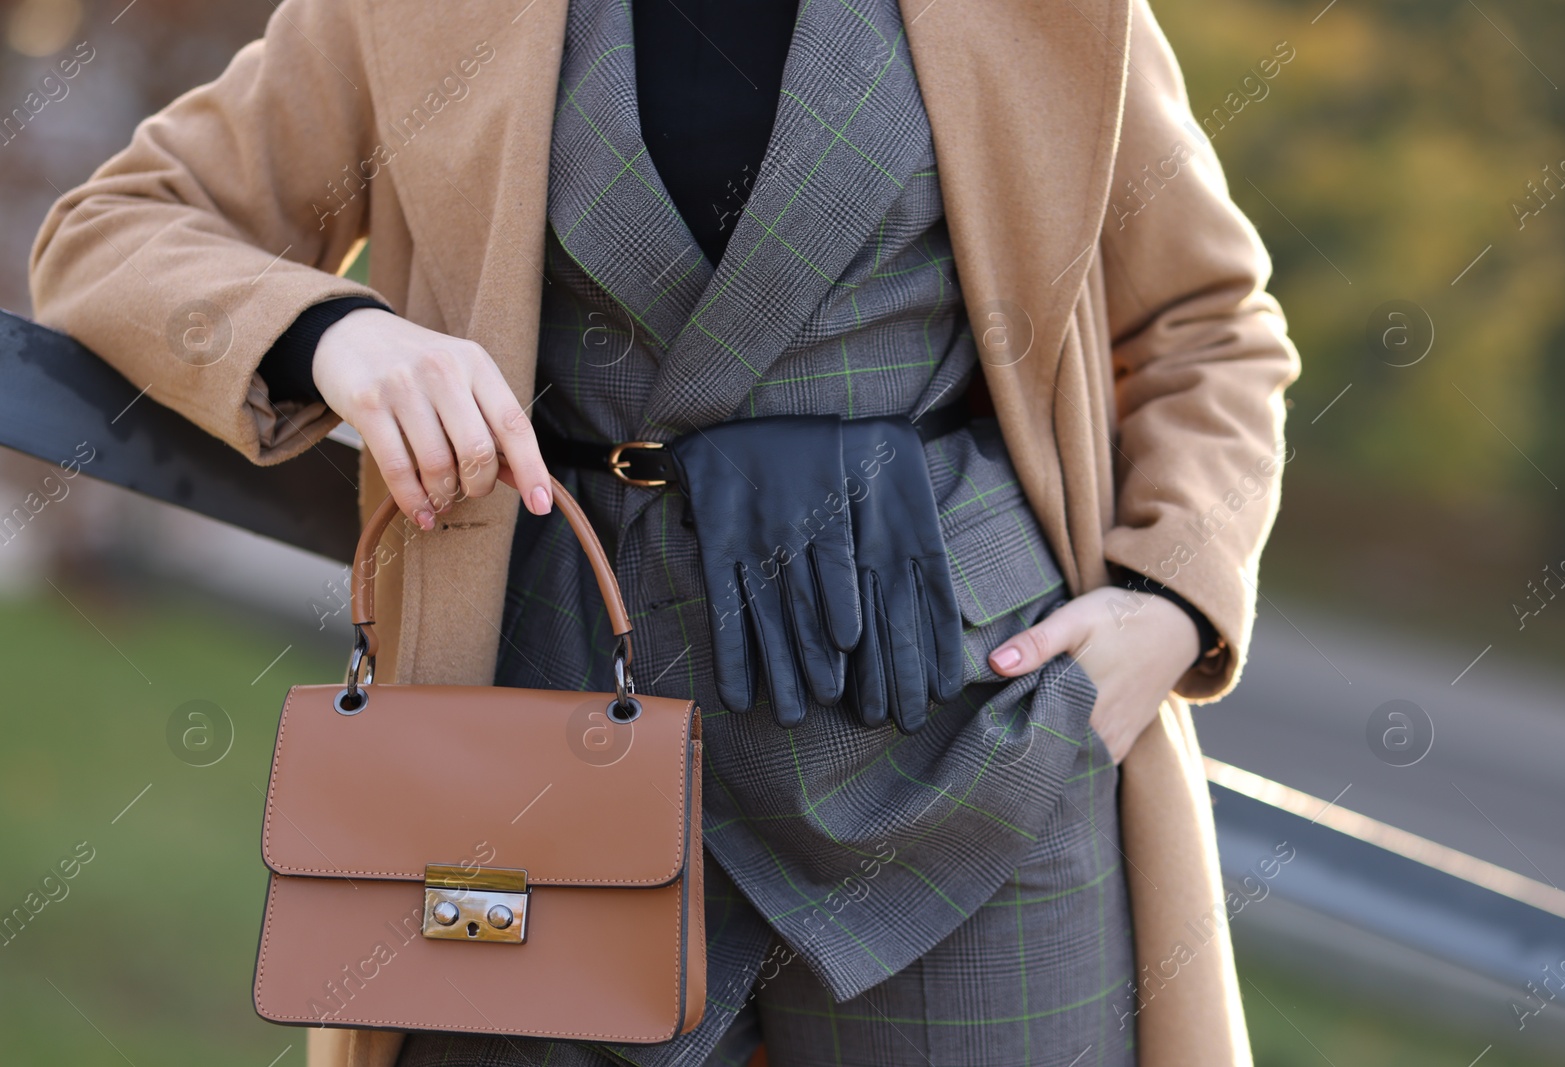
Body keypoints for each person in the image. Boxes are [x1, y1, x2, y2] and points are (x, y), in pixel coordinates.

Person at [29, 0, 1298, 1063]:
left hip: (970, 740)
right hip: (535, 735)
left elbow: (1206, 324)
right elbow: (117, 227)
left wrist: (1167, 597)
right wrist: (332, 334)